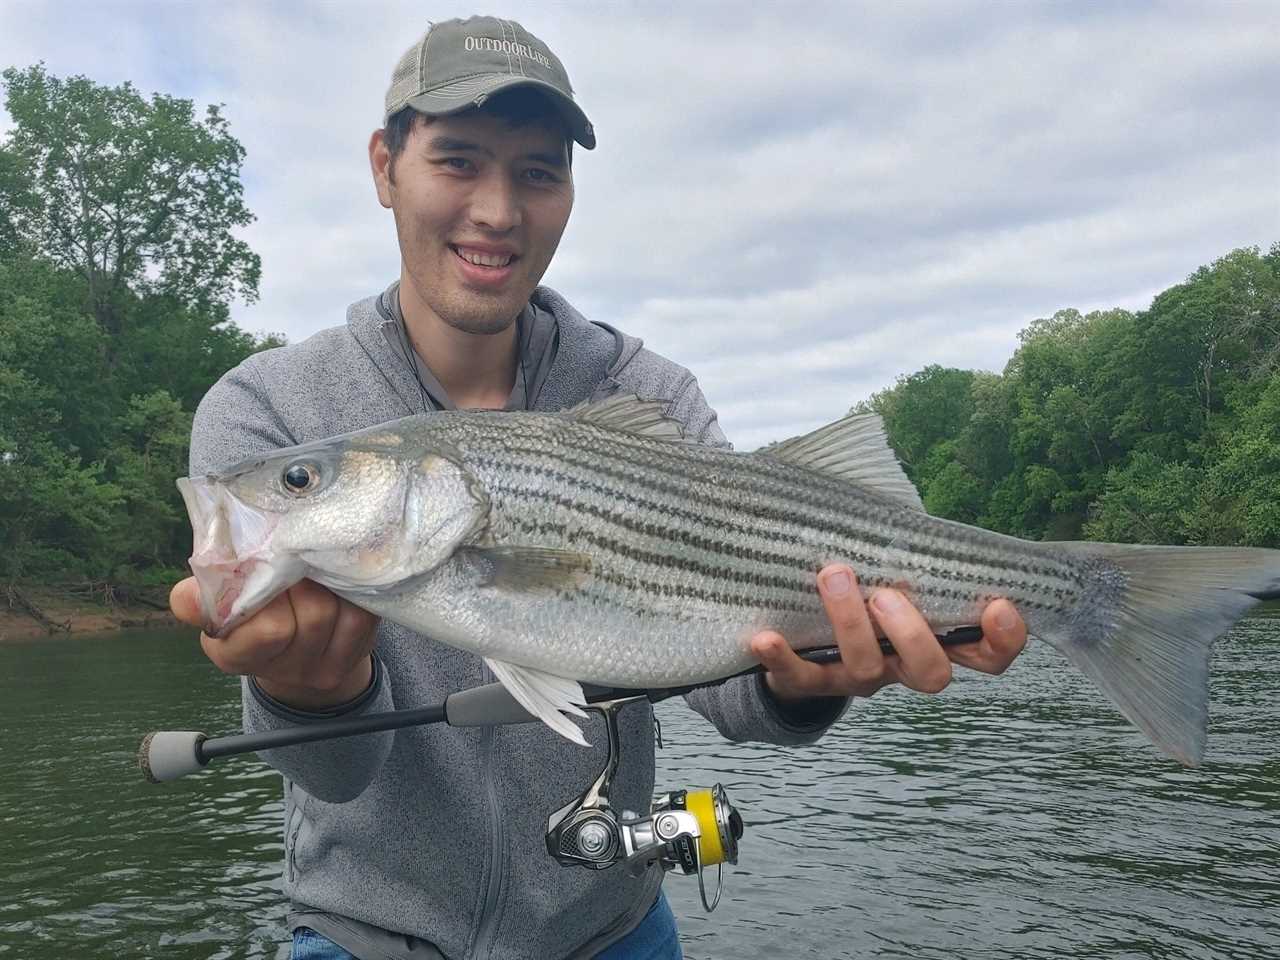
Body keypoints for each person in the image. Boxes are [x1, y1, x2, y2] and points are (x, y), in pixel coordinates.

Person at [168, 16, 1027, 960]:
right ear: (385, 167)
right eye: (457, 160)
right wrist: (313, 697)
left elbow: (731, 693)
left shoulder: (649, 393)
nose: (498, 210)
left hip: (610, 930)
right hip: (362, 935)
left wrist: (810, 683)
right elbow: (330, 779)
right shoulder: (268, 408)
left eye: (539, 171)